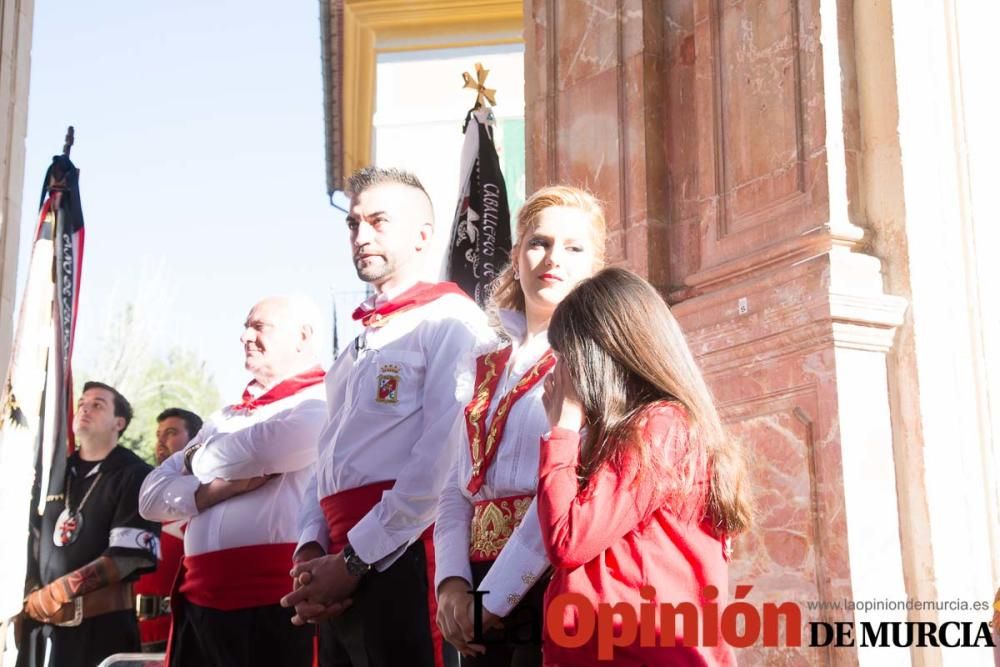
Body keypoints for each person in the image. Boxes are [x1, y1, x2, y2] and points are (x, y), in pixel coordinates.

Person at [281, 166, 493, 667]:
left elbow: (442, 459)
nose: (361, 236)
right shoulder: (356, 344)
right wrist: (310, 550)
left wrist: (355, 558)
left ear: (423, 235)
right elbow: (326, 455)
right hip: (338, 560)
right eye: (354, 224)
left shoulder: (451, 321)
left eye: (379, 221)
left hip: (404, 552)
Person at [537, 267, 753, 666]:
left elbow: (569, 538)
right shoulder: (641, 428)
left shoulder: (660, 426)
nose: (559, 376)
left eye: (567, 358)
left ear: (601, 356)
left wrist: (562, 431)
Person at [433, 186, 607, 666]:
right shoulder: (484, 364)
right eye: (539, 242)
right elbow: (455, 487)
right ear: (516, 256)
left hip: (549, 579)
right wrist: (451, 585)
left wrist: (493, 599)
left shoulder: (594, 360)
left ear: (594, 266)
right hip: (475, 581)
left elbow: (573, 483)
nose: (553, 257)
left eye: (573, 248)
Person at [139, 296, 327, 667]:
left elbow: (264, 449)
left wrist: (195, 458)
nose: (244, 336)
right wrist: (215, 491)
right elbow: (149, 497)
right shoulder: (222, 416)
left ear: (302, 337)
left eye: (259, 327)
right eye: (245, 326)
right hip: (199, 604)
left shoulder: (321, 399)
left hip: (276, 603)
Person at [17, 382, 159, 667]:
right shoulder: (52, 474)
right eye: (82, 403)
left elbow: (127, 558)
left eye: (98, 404)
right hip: (41, 631)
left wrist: (58, 592)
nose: (85, 408)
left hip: (101, 632)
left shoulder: (135, 475)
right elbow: (26, 538)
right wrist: (33, 593)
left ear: (119, 423)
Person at [133, 407, 204, 652]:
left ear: (195, 439)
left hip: (183, 632)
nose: (161, 441)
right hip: (131, 633)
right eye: (158, 434)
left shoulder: (209, 495)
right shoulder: (141, 496)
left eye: (171, 432)